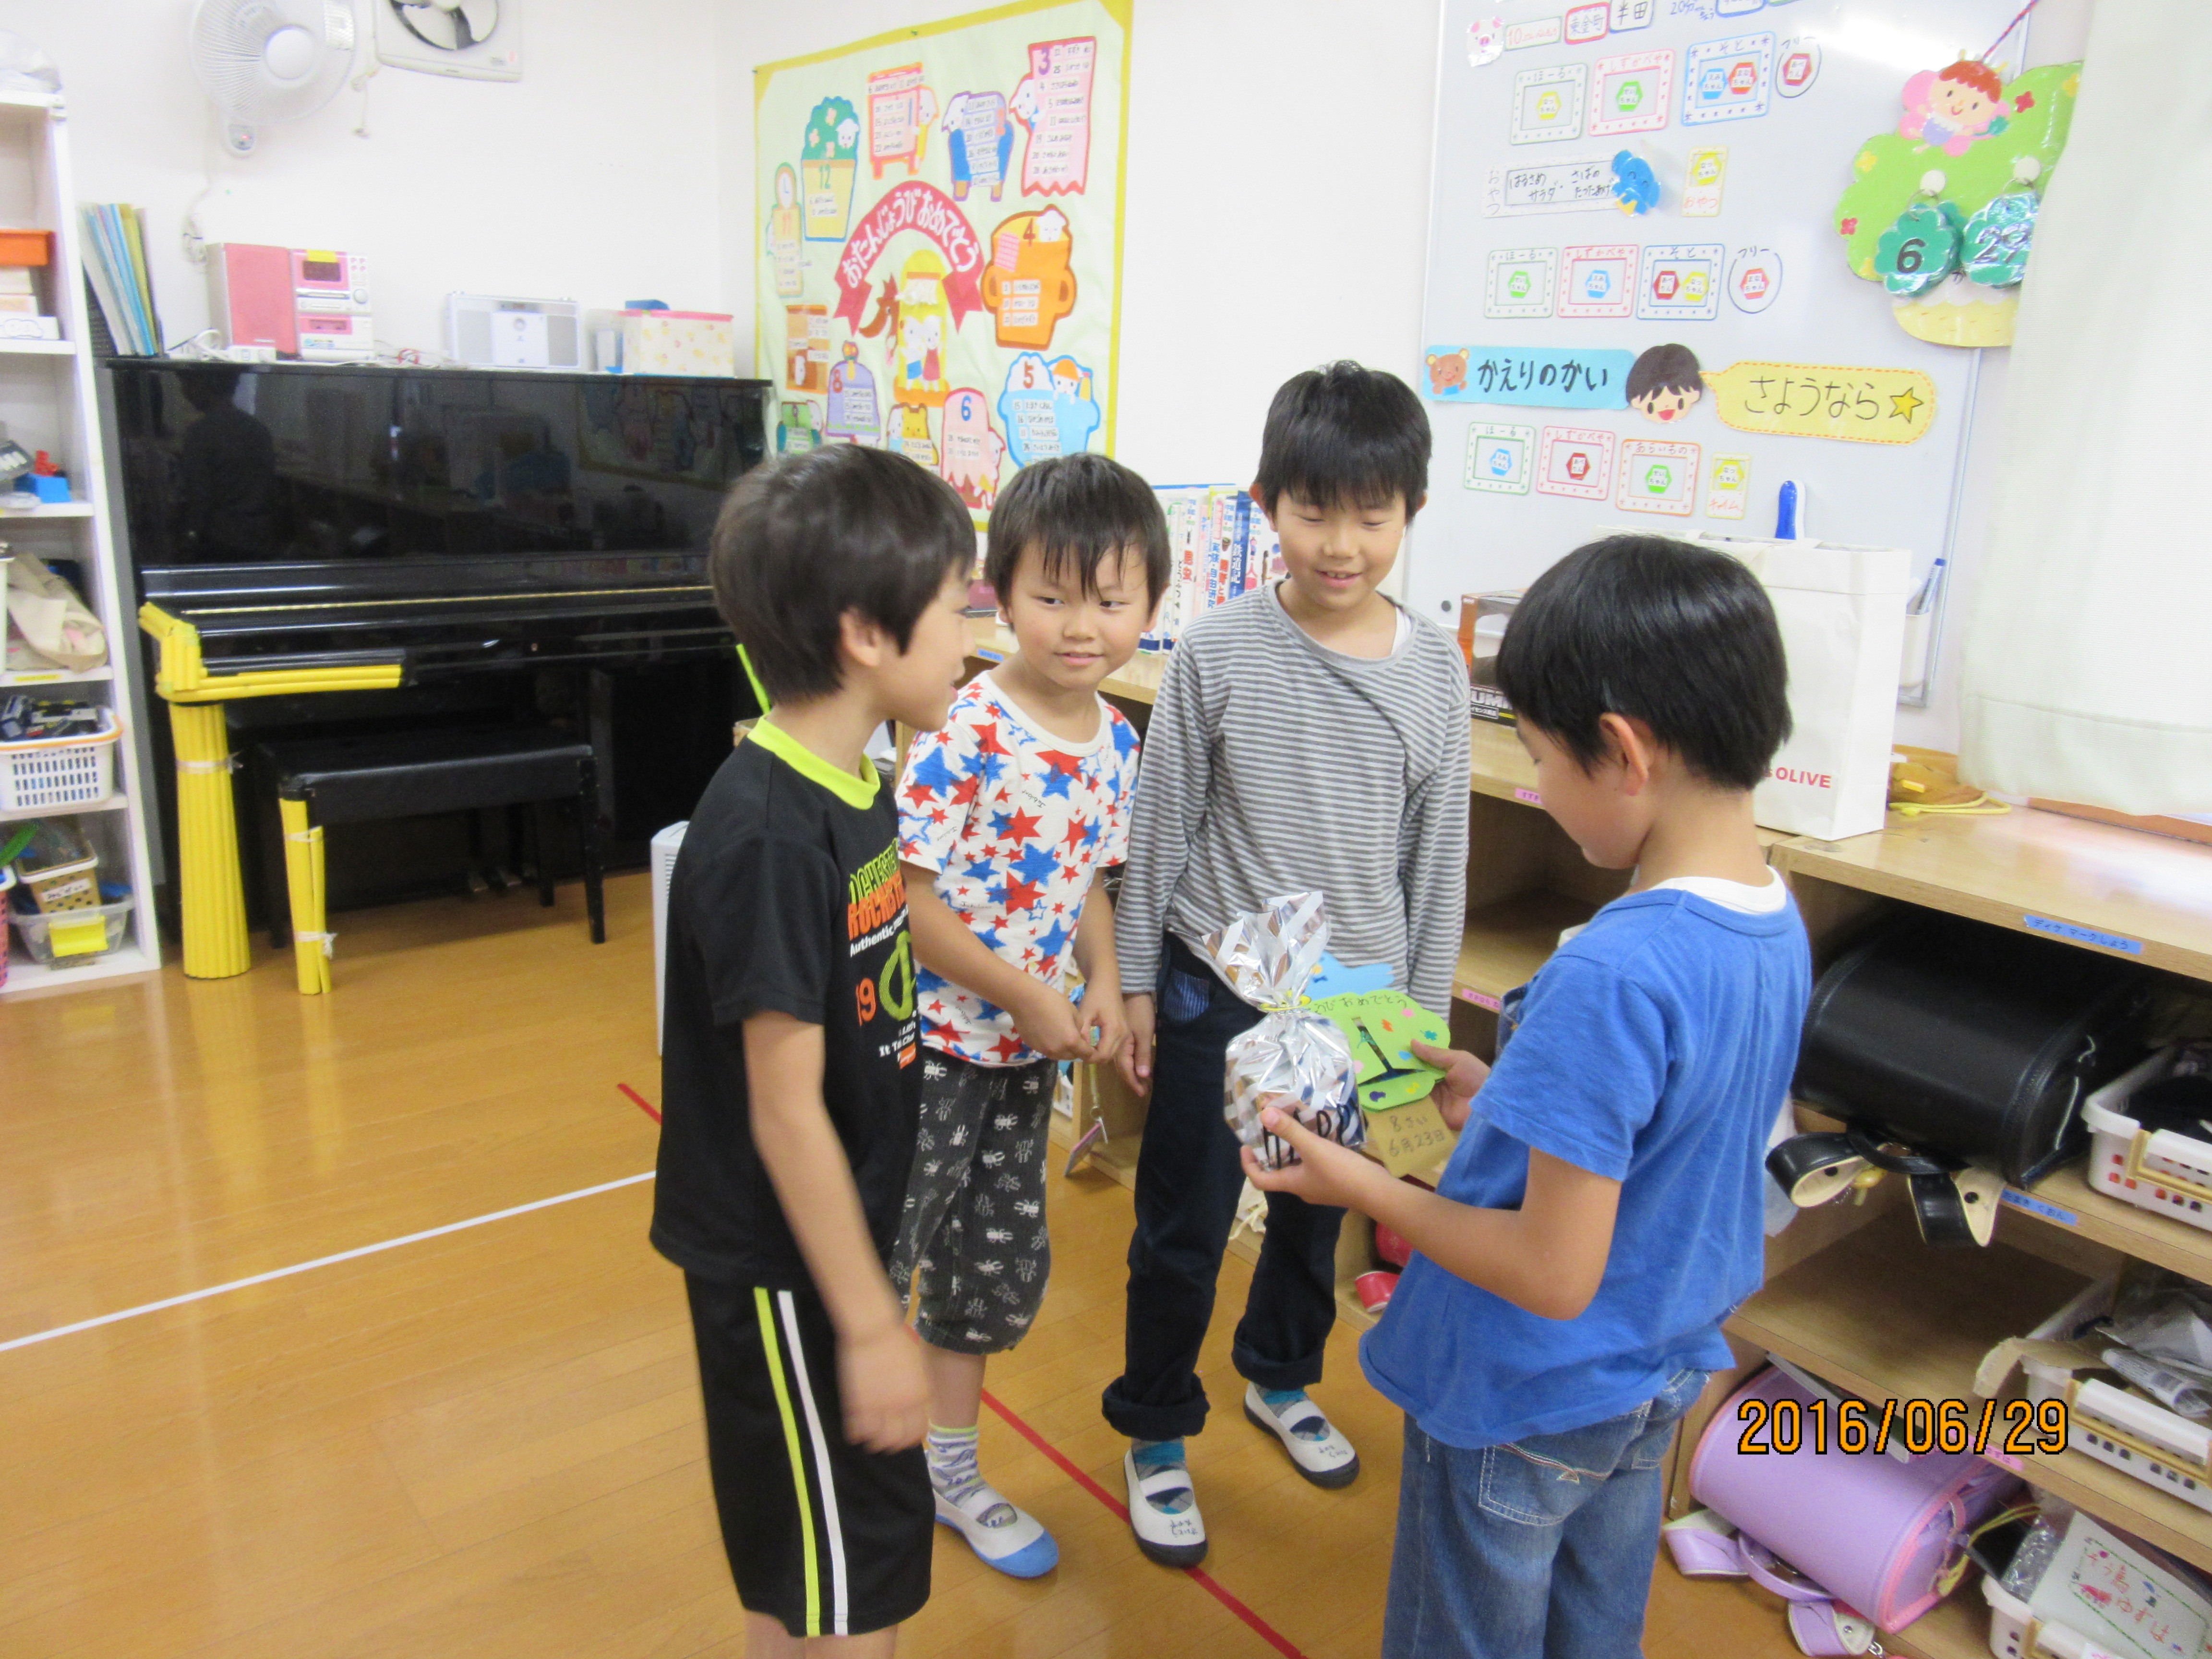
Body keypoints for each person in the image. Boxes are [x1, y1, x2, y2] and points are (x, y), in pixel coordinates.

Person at [1244, 534, 1812, 1659]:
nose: (1536, 789)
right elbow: (1667, 1134)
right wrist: (1508, 1095)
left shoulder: (1613, 969)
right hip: (1652, 1372)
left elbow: (1553, 1274)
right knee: (1596, 1630)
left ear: (1623, 751)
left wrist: (1364, 1186)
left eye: (1543, 759)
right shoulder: (1772, 915)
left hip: (1528, 1390)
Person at [1105, 361, 1471, 1565]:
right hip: (1218, 983)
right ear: (1269, 504)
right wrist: (1141, 985)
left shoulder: (1436, 672)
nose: (1342, 543)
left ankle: (1279, 1374)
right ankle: (1156, 1426)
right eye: (1315, 511)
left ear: (1413, 512)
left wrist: (1421, 1024)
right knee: (1186, 1223)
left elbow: (1438, 860)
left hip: (1361, 1004)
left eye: (1373, 514)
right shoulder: (1216, 649)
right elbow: (1161, 826)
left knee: (1319, 1220)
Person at [650, 444, 977, 1657]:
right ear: (866, 635)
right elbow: (784, 1111)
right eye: (957, 608)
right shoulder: (769, 837)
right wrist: (872, 1326)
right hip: (785, 1269)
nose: (974, 638)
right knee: (846, 1577)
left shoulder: (852, 778)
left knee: (826, 1565)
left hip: (837, 1245)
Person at [891, 451, 1168, 1577]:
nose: (1081, 627)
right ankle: (857, 1460)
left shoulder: (1119, 741)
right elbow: (908, 905)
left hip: (1025, 1063)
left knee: (983, 1273)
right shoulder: (964, 729)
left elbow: (1091, 883)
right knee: (880, 1263)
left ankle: (949, 1472)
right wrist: (1027, 994)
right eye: (1051, 597)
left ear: (1152, 603)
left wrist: (1100, 980)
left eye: (1111, 600)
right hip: (932, 1056)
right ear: (998, 594)